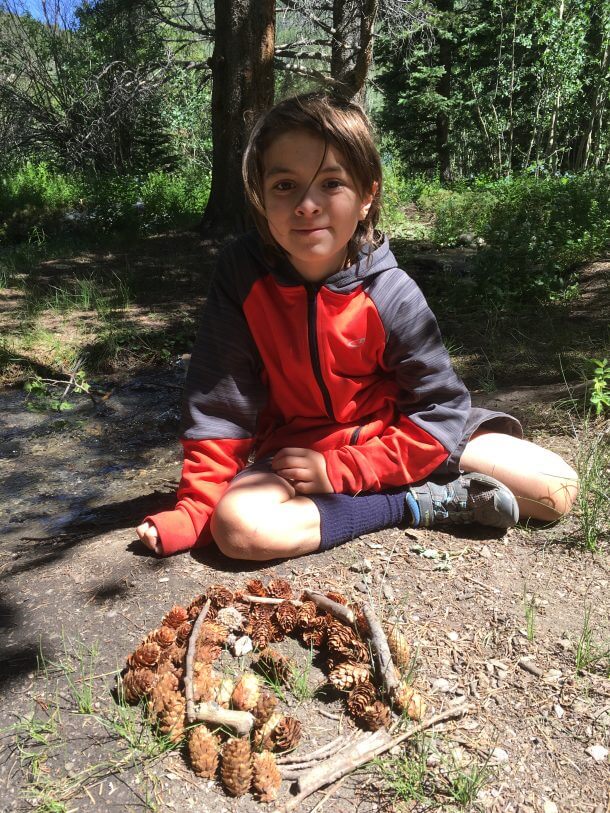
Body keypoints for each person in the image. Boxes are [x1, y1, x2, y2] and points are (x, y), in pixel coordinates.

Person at [135, 92, 578, 560]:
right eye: (285, 185)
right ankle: (414, 503)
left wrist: (346, 470)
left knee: (556, 490)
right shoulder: (241, 277)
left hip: (406, 433)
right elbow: (219, 404)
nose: (307, 204)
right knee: (241, 530)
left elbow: (440, 412)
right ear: (261, 197)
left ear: (367, 197)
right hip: (302, 446)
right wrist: (197, 508)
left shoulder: (391, 291)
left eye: (331, 184)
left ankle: (403, 486)